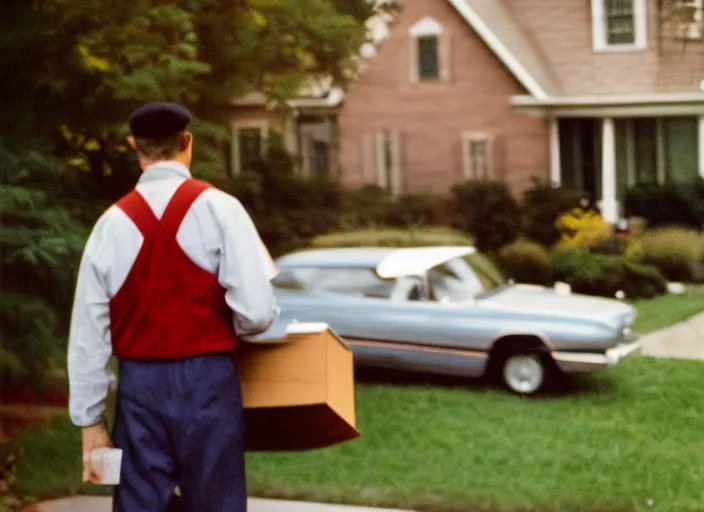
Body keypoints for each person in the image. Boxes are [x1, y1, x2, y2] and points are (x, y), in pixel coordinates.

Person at [67, 101, 278, 511]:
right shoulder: (221, 209)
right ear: (187, 143)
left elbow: (89, 334)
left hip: (140, 387)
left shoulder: (110, 224)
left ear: (134, 147)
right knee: (216, 501)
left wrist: (89, 420)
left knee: (140, 501)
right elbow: (256, 313)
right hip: (209, 380)